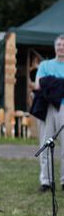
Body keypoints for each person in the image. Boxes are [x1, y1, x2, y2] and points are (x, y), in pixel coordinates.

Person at [35, 35, 64, 192]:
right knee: (46, 144)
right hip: (47, 108)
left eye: (63, 45)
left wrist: (50, 82)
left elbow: (45, 83)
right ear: (54, 47)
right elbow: (39, 84)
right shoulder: (45, 64)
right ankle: (46, 181)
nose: (60, 47)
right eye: (58, 44)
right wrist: (60, 83)